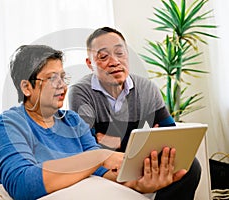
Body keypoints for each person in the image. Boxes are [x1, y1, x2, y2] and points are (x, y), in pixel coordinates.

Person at [0, 44, 186, 200]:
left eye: (63, 77)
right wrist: (99, 156)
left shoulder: (72, 121)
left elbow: (101, 172)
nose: (62, 86)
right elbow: (23, 186)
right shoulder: (7, 124)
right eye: (51, 78)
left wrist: (138, 185)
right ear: (27, 87)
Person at [68, 27, 202, 200]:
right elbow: (89, 147)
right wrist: (137, 138)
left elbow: (169, 132)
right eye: (103, 57)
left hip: (141, 157)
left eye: (119, 53)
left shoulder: (147, 88)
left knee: (190, 167)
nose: (114, 61)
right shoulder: (80, 92)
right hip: (108, 163)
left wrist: (115, 140)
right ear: (89, 64)